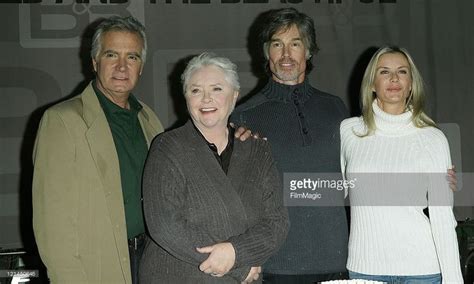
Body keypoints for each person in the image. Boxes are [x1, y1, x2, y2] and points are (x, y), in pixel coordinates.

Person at [139, 52, 289, 284]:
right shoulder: (167, 147)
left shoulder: (258, 149)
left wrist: (237, 253)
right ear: (185, 97)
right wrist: (237, 266)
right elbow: (165, 225)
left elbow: (277, 223)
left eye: (217, 89)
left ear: (235, 96)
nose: (206, 99)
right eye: (196, 90)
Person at [231, 8, 349, 283]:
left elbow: (359, 175)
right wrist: (246, 257)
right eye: (277, 44)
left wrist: (434, 181)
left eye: (295, 44)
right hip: (277, 266)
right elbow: (236, 199)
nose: (286, 55)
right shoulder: (243, 117)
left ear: (308, 51)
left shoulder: (336, 108)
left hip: (338, 261)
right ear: (266, 53)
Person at [340, 46, 463, 283]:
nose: (394, 78)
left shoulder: (433, 139)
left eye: (402, 72)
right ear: (372, 84)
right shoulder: (349, 131)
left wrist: (454, 279)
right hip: (366, 269)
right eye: (384, 71)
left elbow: (442, 216)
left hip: (422, 269)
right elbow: (336, 191)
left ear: (411, 84)